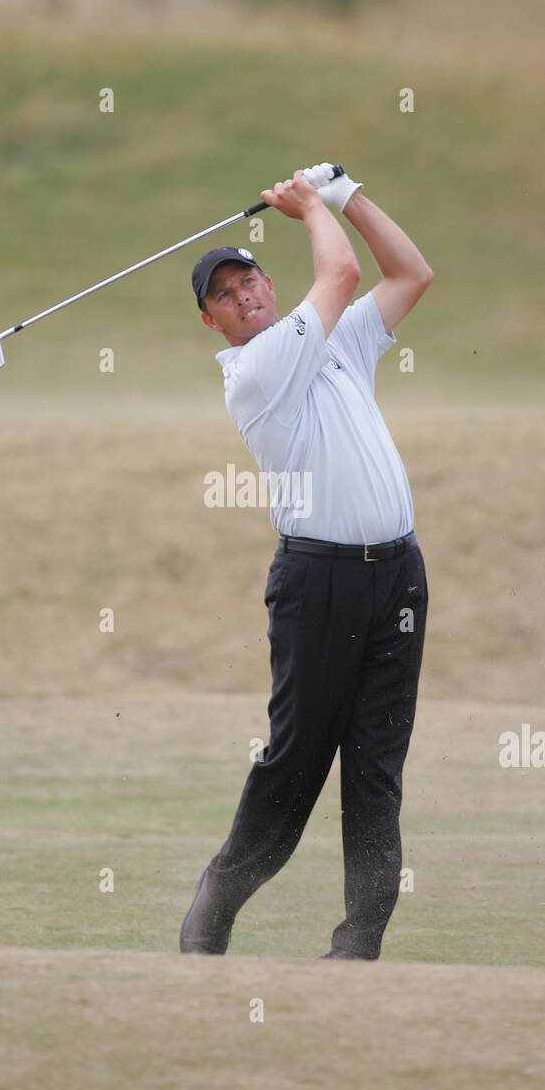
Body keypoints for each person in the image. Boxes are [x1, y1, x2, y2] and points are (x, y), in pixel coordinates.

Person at [180, 163, 433, 961]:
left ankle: (359, 943)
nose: (244, 294)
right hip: (318, 582)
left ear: (267, 279)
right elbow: (344, 268)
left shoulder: (335, 339)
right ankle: (215, 905)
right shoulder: (255, 371)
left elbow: (409, 272)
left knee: (376, 766)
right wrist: (311, 206)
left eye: (248, 277)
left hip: (397, 575)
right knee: (297, 762)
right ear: (212, 323)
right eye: (224, 294)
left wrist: (349, 193)